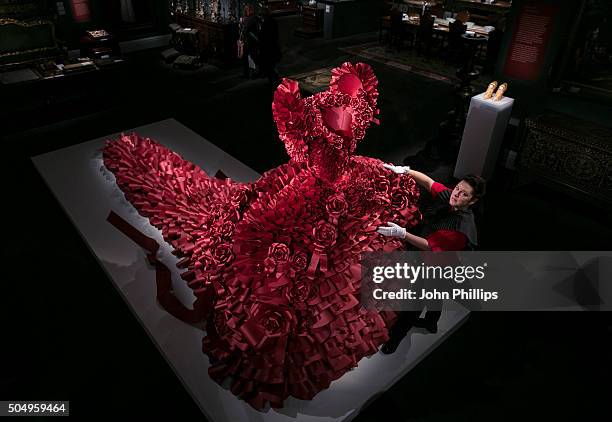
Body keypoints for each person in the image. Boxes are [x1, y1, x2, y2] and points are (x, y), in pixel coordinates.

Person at [377, 163, 486, 354]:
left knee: (416, 303)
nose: (457, 194)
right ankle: (431, 323)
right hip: (434, 259)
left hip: (438, 265)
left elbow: (429, 245)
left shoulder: (461, 228)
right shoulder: (451, 196)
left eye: (464, 194)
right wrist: (405, 171)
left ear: (472, 201)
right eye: (458, 188)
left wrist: (401, 233)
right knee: (438, 293)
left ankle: (395, 339)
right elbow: (429, 182)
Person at [257, 6, 281, 86]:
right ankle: (274, 77)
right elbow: (276, 34)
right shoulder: (273, 21)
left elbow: (263, 35)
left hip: (267, 47)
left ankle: (273, 79)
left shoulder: (266, 23)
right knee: (272, 63)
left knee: (269, 64)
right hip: (273, 45)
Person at [238, 3, 260, 78]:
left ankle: (259, 72)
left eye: (247, 9)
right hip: (248, 41)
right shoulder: (250, 18)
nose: (246, 11)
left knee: (254, 57)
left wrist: (242, 23)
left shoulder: (251, 19)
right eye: (246, 9)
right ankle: (247, 73)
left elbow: (245, 30)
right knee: (246, 57)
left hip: (251, 41)